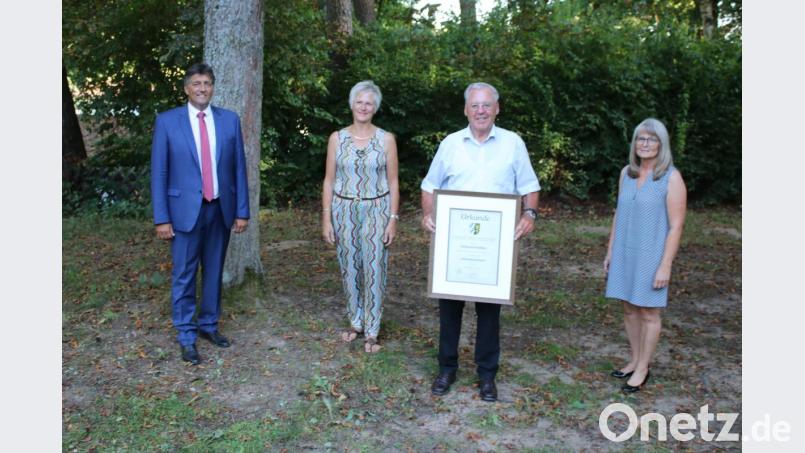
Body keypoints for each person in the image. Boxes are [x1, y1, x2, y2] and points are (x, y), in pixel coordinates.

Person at [420, 82, 541, 402]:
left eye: (487, 105)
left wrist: (529, 214)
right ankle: (446, 368)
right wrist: (428, 215)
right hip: (454, 243)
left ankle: (487, 375)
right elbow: (430, 186)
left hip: (494, 247)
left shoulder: (513, 144)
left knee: (490, 313)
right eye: (475, 105)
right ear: (465, 110)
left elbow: (530, 185)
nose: (481, 110)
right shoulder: (450, 144)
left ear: (497, 108)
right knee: (450, 309)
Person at [151, 63, 250, 365]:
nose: (202, 88)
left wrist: (242, 211)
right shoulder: (168, 122)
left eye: (207, 82)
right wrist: (162, 218)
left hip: (219, 209)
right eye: (196, 83)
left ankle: (209, 325)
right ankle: (186, 335)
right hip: (183, 214)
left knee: (213, 273)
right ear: (186, 88)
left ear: (213, 87)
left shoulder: (229, 121)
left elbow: (238, 170)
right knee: (184, 274)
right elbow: (160, 172)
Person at [604, 118, 687, 393]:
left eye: (652, 139)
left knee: (649, 311)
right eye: (641, 138)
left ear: (661, 144)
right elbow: (619, 213)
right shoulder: (627, 173)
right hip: (625, 251)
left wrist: (666, 265)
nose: (645, 144)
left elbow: (676, 225)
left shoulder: (671, 178)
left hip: (652, 254)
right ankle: (634, 359)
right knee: (628, 306)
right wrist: (610, 250)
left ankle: (643, 367)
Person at [321, 80, 400, 354]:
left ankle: (373, 331)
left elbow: (393, 182)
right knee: (350, 267)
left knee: (375, 268)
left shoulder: (386, 139)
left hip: (377, 211)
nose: (364, 107)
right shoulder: (337, 138)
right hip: (343, 211)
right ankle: (356, 322)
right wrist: (326, 218)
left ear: (375, 107)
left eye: (369, 102)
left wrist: (393, 218)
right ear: (352, 104)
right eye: (359, 101)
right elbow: (329, 180)